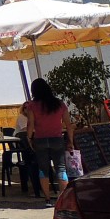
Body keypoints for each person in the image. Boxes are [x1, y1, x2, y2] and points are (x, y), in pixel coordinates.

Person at [26, 78, 75, 207]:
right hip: (57, 139)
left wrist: (29, 138)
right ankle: (62, 200)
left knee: (43, 170)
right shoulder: (59, 104)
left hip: (40, 140)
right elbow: (68, 125)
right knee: (61, 169)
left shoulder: (32, 106)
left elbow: (30, 124)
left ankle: (47, 199)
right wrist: (70, 141)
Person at [13, 101, 41, 197]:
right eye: (26, 107)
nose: (28, 109)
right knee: (32, 160)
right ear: (23, 109)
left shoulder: (35, 117)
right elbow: (26, 129)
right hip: (22, 143)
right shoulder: (22, 117)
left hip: (34, 142)